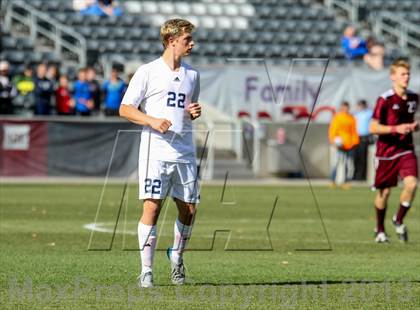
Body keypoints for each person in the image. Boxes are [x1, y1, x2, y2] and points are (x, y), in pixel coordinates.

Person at [119, 18, 201, 288]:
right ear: (171, 40)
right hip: (155, 151)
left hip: (184, 151)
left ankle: (176, 255)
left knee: (189, 209)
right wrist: (152, 120)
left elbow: (186, 110)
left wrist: (192, 113)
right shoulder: (147, 71)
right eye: (188, 39)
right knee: (152, 207)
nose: (192, 44)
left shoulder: (192, 75)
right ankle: (146, 271)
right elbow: (126, 108)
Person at [369, 59, 419, 243]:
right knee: (385, 192)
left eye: (408, 74)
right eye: (402, 74)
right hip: (386, 152)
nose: (406, 77)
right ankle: (380, 229)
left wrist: (415, 126)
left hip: (406, 149)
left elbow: (414, 120)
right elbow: (373, 127)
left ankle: (398, 219)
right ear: (393, 77)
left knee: (412, 184)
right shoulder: (385, 99)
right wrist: (395, 129)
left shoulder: (414, 97)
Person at [328, 101, 360, 188]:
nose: (345, 109)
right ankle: (332, 180)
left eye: (346, 108)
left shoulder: (351, 118)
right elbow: (333, 130)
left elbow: (354, 131)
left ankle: (346, 182)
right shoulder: (337, 118)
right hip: (340, 145)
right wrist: (333, 140)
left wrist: (355, 141)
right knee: (336, 162)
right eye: (343, 108)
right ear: (341, 108)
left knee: (348, 163)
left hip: (349, 144)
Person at [353, 100, 373, 180]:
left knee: (362, 157)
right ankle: (356, 175)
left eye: (360, 105)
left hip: (364, 137)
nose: (359, 107)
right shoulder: (356, 114)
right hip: (355, 138)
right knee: (356, 157)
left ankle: (362, 175)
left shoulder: (369, 113)